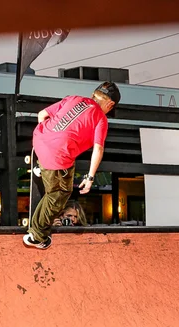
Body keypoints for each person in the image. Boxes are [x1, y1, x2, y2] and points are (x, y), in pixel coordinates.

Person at [23, 81, 120, 250]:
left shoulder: (73, 98)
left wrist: (46, 141)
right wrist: (90, 178)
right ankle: (36, 236)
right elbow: (98, 148)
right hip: (58, 155)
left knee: (64, 164)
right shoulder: (101, 118)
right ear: (110, 104)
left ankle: (41, 168)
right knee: (60, 193)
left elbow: (42, 114)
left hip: (39, 140)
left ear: (93, 94)